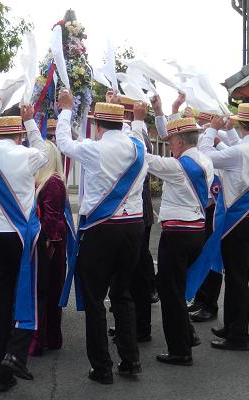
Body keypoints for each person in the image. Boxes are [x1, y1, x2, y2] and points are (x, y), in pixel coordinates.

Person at [57, 90, 147, 384]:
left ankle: (102, 367)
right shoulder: (138, 147)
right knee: (123, 293)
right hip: (134, 226)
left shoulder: (94, 149)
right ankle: (131, 360)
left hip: (101, 228)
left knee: (94, 298)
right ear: (122, 123)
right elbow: (133, 131)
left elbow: (63, 143)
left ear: (96, 124)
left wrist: (66, 109)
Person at [0, 105, 48, 392]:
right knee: (30, 293)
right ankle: (16, 352)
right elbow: (44, 150)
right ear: (19, 135)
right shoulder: (27, 155)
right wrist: (31, 121)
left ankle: (1, 377)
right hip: (21, 237)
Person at [199, 103, 249, 351]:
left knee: (236, 279)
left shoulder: (240, 151)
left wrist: (212, 130)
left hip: (239, 222)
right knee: (237, 276)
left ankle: (238, 336)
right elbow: (234, 152)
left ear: (242, 124)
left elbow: (204, 156)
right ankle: (232, 325)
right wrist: (226, 133)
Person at [148, 116, 214, 366]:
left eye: (171, 142)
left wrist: (133, 129)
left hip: (177, 233)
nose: (170, 146)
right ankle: (187, 333)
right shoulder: (205, 160)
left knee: (171, 292)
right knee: (176, 287)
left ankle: (180, 350)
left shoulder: (179, 167)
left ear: (179, 141)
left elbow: (145, 159)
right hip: (197, 229)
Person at [108, 93, 157, 344]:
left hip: (137, 211)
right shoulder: (132, 133)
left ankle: (138, 327)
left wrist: (134, 120)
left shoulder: (136, 136)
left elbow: (137, 146)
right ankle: (131, 324)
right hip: (136, 211)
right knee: (132, 271)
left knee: (134, 274)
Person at [29, 140, 68, 356]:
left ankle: (42, 340)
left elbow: (51, 219)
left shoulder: (52, 182)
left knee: (46, 292)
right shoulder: (45, 180)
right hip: (48, 242)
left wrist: (44, 244)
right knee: (46, 292)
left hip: (50, 245)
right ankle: (48, 338)